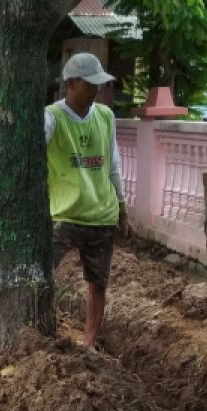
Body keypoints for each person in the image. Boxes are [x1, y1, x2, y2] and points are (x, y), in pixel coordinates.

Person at [45, 52, 129, 351]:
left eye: (98, 85)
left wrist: (121, 206)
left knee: (98, 283)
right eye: (89, 84)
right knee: (42, 274)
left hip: (101, 214)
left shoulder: (105, 116)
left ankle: (89, 342)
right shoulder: (51, 117)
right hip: (63, 215)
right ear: (71, 83)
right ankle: (43, 329)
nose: (96, 90)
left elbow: (114, 164)